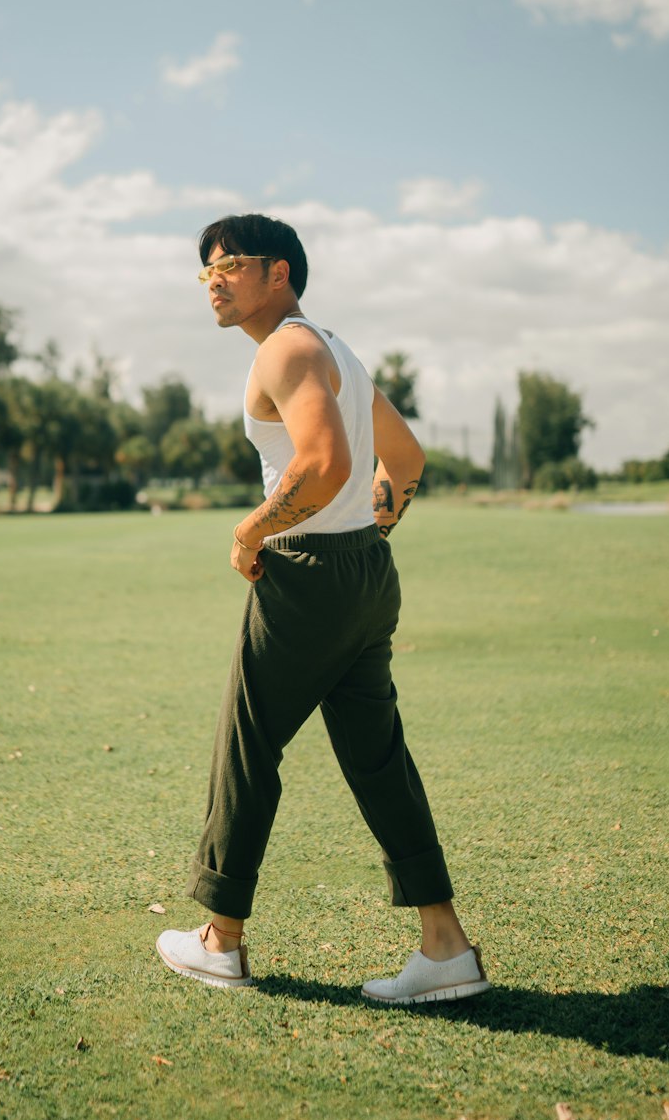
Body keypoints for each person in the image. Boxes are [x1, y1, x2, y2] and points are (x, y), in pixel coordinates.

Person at [155, 214, 489, 1004]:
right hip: (365, 575)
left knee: (247, 744)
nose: (215, 280)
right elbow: (402, 459)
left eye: (231, 264)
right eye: (206, 270)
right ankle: (445, 947)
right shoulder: (335, 348)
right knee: (378, 760)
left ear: (281, 272)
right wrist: (367, 535)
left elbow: (325, 460)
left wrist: (251, 530)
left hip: (306, 577)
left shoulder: (288, 347)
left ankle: (220, 940)